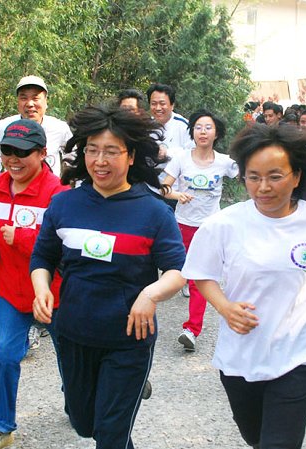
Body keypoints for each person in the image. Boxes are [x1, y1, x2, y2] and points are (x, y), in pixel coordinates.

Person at [181, 124, 306, 449]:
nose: (263, 187)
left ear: (296, 176)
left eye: (275, 176)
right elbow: (200, 272)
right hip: (241, 354)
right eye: (254, 177)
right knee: (256, 436)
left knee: (279, 443)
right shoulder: (223, 224)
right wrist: (225, 307)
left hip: (302, 351)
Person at [30, 104, 186, 449]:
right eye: (92, 150)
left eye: (111, 151)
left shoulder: (154, 212)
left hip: (127, 340)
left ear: (131, 156)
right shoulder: (64, 205)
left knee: (111, 435)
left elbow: (177, 272)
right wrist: (41, 288)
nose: (100, 160)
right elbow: (43, 256)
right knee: (85, 423)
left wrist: (150, 295)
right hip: (74, 332)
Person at [0, 119, 69, 449]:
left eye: (22, 152)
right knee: (2, 354)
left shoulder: (58, 194)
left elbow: (63, 247)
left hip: (54, 295)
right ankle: (2, 428)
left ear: (43, 153)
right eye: (8, 151)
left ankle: (77, 405)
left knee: (70, 358)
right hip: (11, 292)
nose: (13, 159)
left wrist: (23, 238)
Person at [160, 110, 239, 351]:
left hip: (210, 229)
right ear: (192, 132)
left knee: (201, 280)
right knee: (175, 273)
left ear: (216, 133)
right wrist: (176, 194)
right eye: (198, 127)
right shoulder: (181, 158)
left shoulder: (225, 162)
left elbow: (249, 176)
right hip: (182, 225)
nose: (202, 132)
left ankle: (191, 330)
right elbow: (163, 188)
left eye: (208, 128)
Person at [0, 76, 72, 197]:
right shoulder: (3, 128)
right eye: (24, 98)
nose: (30, 104)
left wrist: (78, 191)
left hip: (49, 196)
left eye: (35, 98)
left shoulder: (60, 128)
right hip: (14, 197)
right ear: (18, 101)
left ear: (46, 101)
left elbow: (75, 158)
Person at [146, 83, 194, 160]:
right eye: (154, 104)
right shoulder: (145, 126)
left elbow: (192, 153)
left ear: (172, 105)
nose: (158, 108)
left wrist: (167, 153)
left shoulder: (184, 126)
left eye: (162, 104)